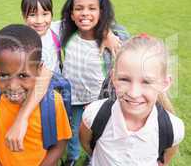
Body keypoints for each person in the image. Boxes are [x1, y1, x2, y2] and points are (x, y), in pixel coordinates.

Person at [3, 0, 125, 153]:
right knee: (49, 127)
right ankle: (55, 154)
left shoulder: (56, 29)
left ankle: (81, 155)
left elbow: (88, 16)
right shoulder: (21, 39)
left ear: (51, 15)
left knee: (75, 125)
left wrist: (107, 33)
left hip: (57, 90)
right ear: (24, 16)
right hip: (34, 90)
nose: (40, 20)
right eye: (32, 15)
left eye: (45, 14)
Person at [0, 24, 72, 166]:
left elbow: (60, 144)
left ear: (38, 69)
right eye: (3, 75)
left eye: (23, 75)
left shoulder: (53, 102)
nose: (13, 86)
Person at [79, 34, 185, 166]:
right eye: (124, 79)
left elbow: (164, 160)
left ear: (164, 84)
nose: (134, 93)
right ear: (113, 78)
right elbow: (88, 145)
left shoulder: (172, 129)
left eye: (146, 82)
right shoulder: (95, 114)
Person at [59, 0, 129, 165]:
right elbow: (41, 23)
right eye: (79, 8)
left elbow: (125, 38)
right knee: (73, 131)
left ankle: (93, 157)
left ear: (101, 12)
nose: (85, 13)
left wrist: (107, 31)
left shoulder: (110, 39)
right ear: (72, 14)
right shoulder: (66, 34)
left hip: (98, 98)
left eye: (92, 8)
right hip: (73, 97)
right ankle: (72, 158)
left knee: (97, 130)